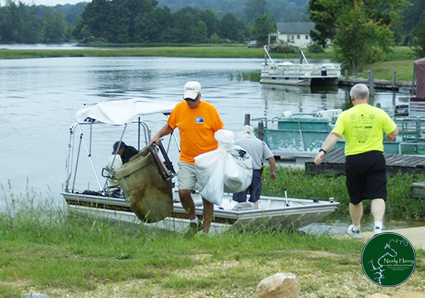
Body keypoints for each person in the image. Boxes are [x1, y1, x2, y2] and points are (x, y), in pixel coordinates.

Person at [314, 83, 399, 239]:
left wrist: (323, 151)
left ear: (352, 98)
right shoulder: (379, 113)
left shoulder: (345, 115)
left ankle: (356, 229)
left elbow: (335, 135)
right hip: (375, 157)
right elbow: (394, 131)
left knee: (355, 198)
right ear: (367, 97)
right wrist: (390, 136)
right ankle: (378, 227)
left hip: (354, 159)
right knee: (378, 194)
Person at [150, 81, 224, 234]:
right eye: (187, 99)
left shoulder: (210, 110)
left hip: (208, 161)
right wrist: (157, 135)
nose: (190, 102)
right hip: (187, 159)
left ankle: (205, 231)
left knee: (207, 197)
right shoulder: (179, 108)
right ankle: (193, 221)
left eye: (193, 99)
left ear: (200, 96)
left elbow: (220, 132)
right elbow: (170, 126)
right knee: (183, 192)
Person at [232, 125, 276, 208]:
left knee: (239, 197)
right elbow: (271, 158)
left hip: (241, 172)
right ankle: (254, 213)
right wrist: (272, 171)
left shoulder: (236, 142)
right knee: (255, 197)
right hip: (256, 172)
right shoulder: (260, 142)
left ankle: (238, 213)